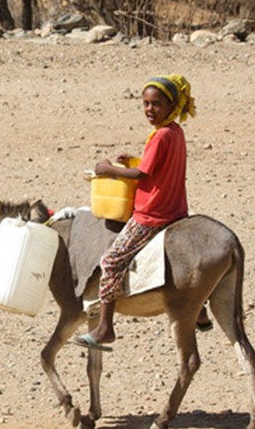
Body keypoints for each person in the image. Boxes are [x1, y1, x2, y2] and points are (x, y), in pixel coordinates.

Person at [72, 74, 210, 352]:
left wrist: (109, 169)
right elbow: (155, 167)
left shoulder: (160, 136)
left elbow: (142, 173)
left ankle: (105, 328)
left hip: (153, 213)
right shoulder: (175, 132)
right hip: (177, 209)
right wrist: (132, 161)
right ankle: (201, 311)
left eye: (156, 104)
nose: (150, 110)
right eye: (146, 104)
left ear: (172, 105)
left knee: (111, 262)